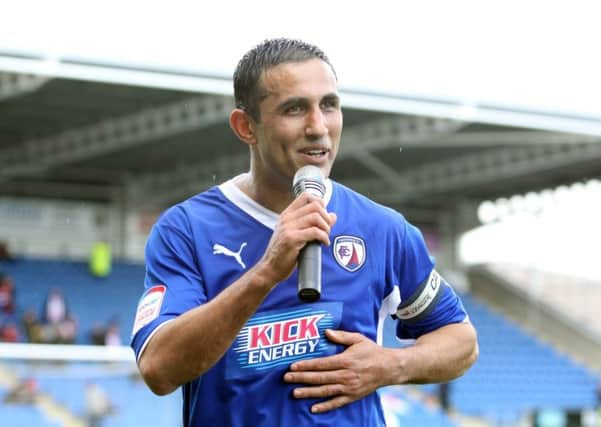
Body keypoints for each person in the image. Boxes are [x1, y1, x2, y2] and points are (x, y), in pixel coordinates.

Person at [130, 38, 478, 426]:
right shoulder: (187, 229)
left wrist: (393, 365)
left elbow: (461, 342)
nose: (318, 127)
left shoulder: (382, 229)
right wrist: (266, 272)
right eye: (295, 109)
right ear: (246, 126)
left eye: (329, 105)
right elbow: (159, 369)